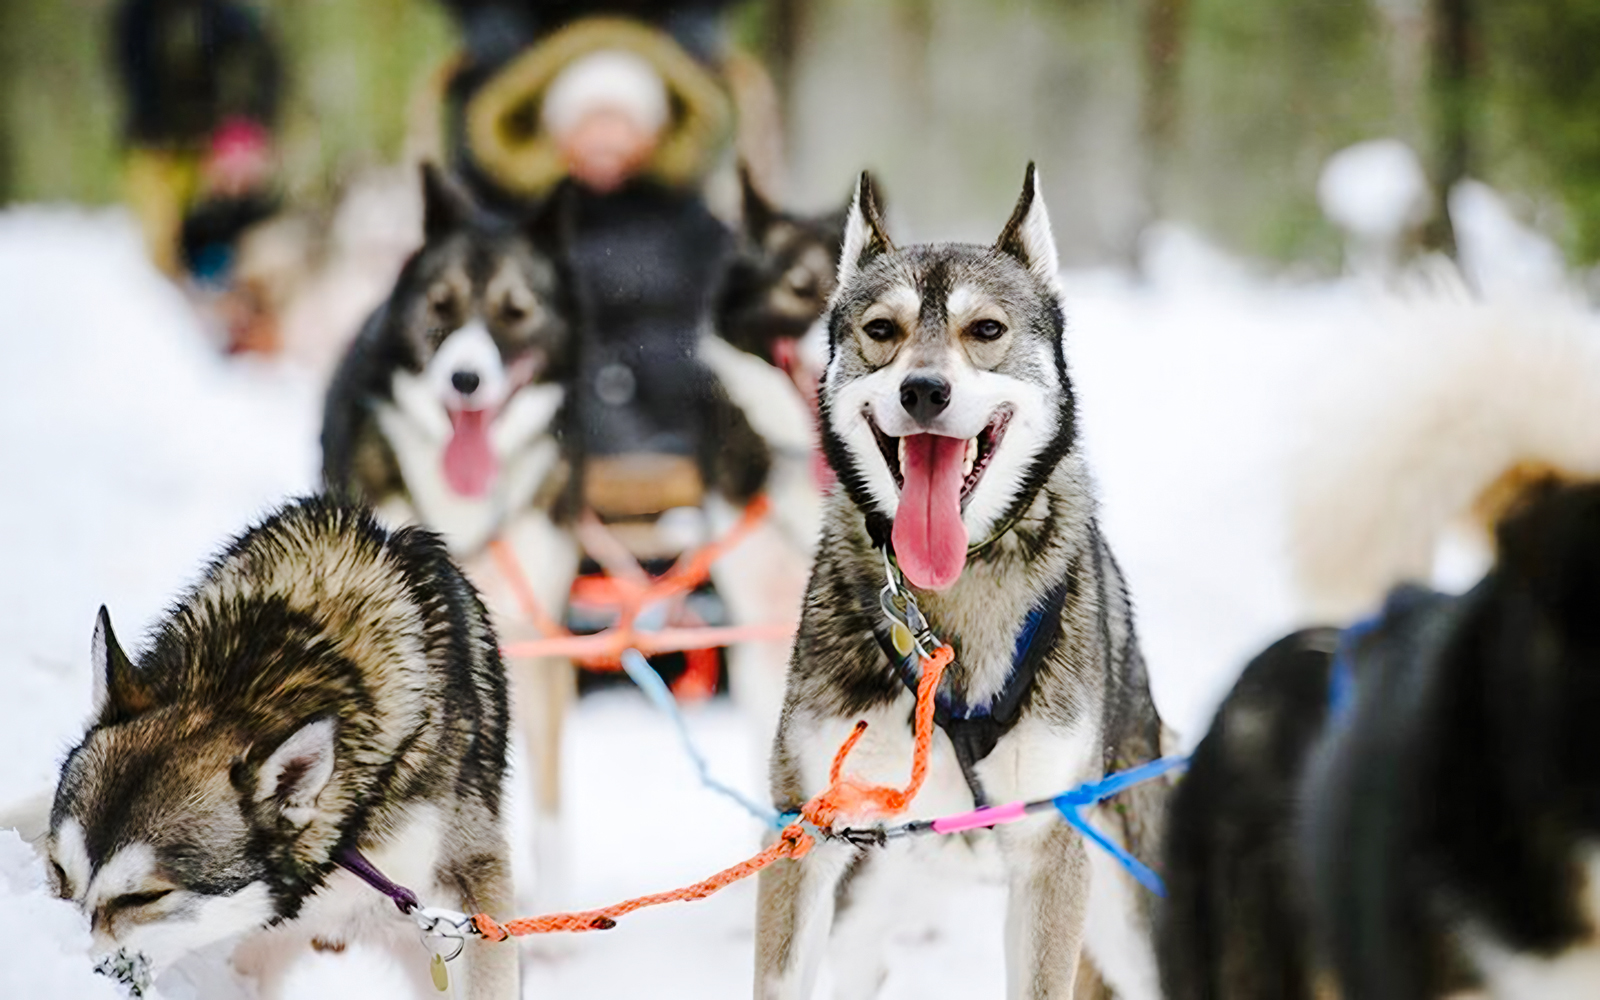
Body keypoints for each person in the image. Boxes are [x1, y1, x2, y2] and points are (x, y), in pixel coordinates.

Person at [112, 0, 282, 351]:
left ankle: (217, 327)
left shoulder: (217, 13)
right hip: (157, 144)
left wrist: (248, 126)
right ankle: (180, 334)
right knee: (166, 254)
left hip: (202, 140)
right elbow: (130, 69)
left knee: (209, 238)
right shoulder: (141, 15)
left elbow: (261, 60)